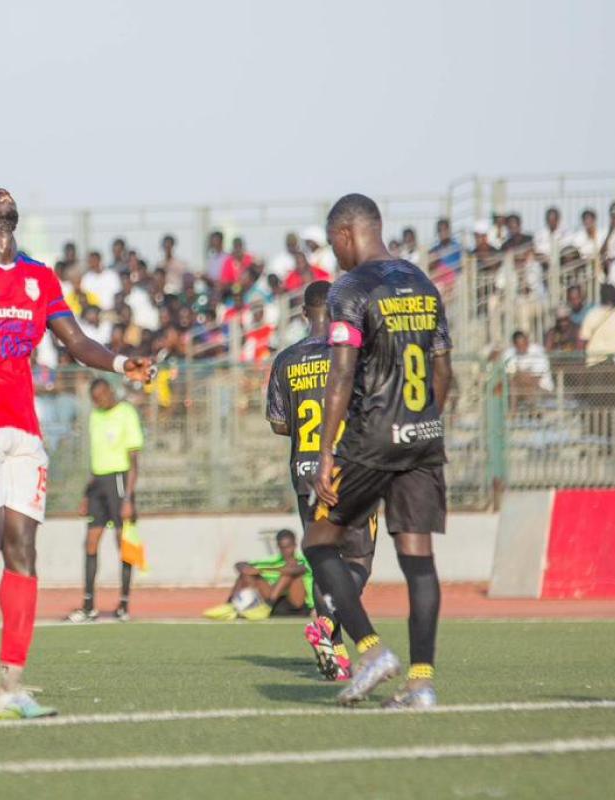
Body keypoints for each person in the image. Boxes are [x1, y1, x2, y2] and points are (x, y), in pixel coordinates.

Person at [0, 186, 152, 720]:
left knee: (23, 549)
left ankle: (10, 687)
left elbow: (76, 342)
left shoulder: (38, 275)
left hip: (23, 431)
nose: (1, 194)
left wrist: (121, 364)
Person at [304, 193, 452, 709]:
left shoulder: (351, 288)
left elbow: (342, 374)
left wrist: (327, 452)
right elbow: (443, 370)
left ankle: (370, 650)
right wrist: (424, 422)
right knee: (418, 557)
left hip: (372, 436)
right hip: (422, 434)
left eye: (333, 245)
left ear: (347, 233)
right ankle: (422, 682)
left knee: (319, 541)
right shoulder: (422, 283)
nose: (335, 256)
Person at [264, 280, 378, 681]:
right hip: (349, 469)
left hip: (306, 474)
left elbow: (279, 423)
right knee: (359, 559)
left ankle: (337, 651)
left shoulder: (286, 359)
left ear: (303, 314)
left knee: (325, 561)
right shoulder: (351, 352)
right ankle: (326, 624)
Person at [67, 378, 144, 623]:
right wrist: (85, 494)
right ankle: (88, 606)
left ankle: (123, 605)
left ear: (110, 392)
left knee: (123, 543)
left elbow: (134, 460)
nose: (98, 402)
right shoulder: (95, 416)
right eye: (94, 399)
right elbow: (95, 458)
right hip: (98, 484)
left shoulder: (126, 413)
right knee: (90, 542)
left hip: (119, 481)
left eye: (101, 397)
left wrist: (128, 498)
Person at [204, 530, 313, 621]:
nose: (286, 551)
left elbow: (296, 570)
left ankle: (268, 605)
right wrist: (248, 570)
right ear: (278, 547)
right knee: (245, 574)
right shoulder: (273, 560)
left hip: (297, 605)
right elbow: (239, 565)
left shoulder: (303, 560)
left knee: (289, 573)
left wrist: (261, 570)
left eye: (288, 547)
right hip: (276, 605)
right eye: (282, 547)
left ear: (295, 545)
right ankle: (230, 604)